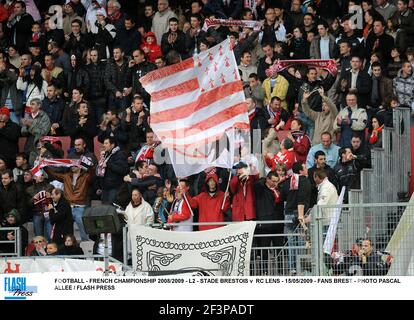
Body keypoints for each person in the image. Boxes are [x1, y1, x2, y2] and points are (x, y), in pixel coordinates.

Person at [44, 156, 95, 242]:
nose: (72, 167)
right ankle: (65, 241)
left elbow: (93, 173)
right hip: (67, 207)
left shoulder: (85, 176)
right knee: (62, 223)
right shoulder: (66, 176)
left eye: (74, 165)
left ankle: (85, 241)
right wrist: (44, 166)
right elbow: (53, 174)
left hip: (79, 207)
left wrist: (90, 165)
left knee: (80, 220)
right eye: (71, 165)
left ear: (79, 166)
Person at [279, 162, 311, 275]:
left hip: (288, 214)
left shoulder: (287, 182)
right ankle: (301, 269)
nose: (307, 169)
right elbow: (304, 198)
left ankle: (293, 268)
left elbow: (281, 196)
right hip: (300, 216)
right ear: (301, 171)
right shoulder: (305, 181)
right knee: (302, 242)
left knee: (292, 243)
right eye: (305, 167)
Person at [96, 137, 129, 204]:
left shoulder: (120, 154)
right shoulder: (106, 155)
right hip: (105, 187)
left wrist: (108, 164)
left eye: (106, 143)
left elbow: (123, 169)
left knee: (111, 209)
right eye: (103, 143)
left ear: (112, 145)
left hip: (114, 187)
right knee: (104, 210)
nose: (104, 145)